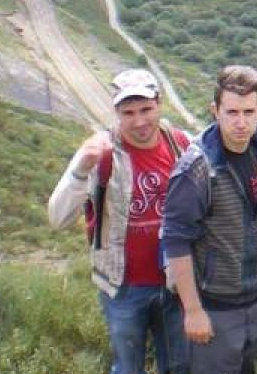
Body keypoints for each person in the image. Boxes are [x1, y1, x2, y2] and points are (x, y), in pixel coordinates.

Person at [48, 69, 190, 374]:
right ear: (116, 112)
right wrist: (82, 168)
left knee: (179, 366)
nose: (139, 121)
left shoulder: (180, 143)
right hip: (123, 287)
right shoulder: (100, 152)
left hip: (175, 283)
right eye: (128, 112)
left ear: (159, 103)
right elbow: (58, 217)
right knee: (128, 367)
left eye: (146, 110)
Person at [163, 65, 257, 373]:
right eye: (231, 112)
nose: (241, 123)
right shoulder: (196, 168)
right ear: (215, 110)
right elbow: (176, 242)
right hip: (215, 306)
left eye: (248, 111)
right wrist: (192, 310)